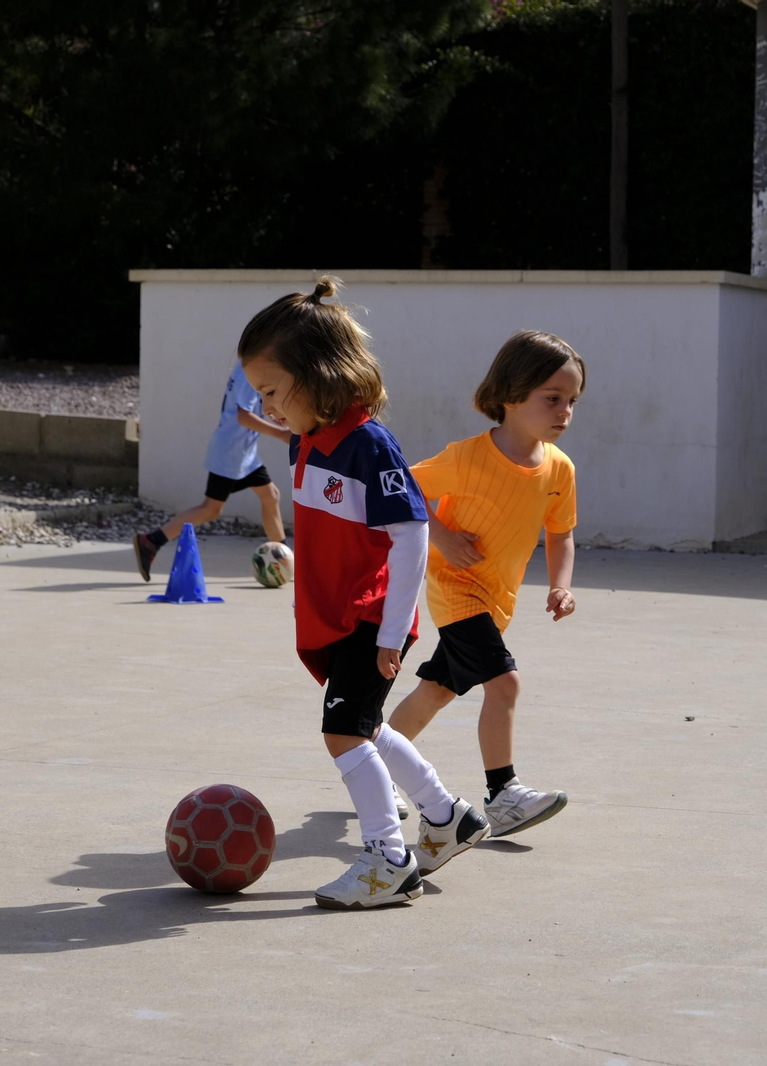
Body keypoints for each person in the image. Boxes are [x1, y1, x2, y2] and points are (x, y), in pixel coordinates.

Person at [238, 277, 488, 910]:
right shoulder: (306, 438)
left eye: (271, 392)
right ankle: (448, 816)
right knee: (366, 727)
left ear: (318, 375)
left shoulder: (369, 446)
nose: (266, 406)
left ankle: (387, 857)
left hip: (370, 618)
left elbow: (410, 535)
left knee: (342, 733)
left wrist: (388, 635)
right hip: (339, 614)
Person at [387, 330, 584, 838]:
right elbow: (401, 491)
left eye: (572, 401)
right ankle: (503, 795)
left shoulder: (560, 469)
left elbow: (561, 536)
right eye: (553, 398)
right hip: (455, 588)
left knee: (436, 691)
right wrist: (444, 537)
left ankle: (377, 759)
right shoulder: (466, 458)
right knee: (505, 682)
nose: (564, 412)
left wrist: (560, 585)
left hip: (498, 600)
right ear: (511, 395)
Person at [133, 362, 290, 581]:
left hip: (244, 454)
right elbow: (243, 416)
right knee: (211, 509)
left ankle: (284, 560)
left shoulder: (247, 367)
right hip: (229, 454)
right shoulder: (249, 372)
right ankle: (151, 540)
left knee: (270, 495)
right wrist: (281, 433)